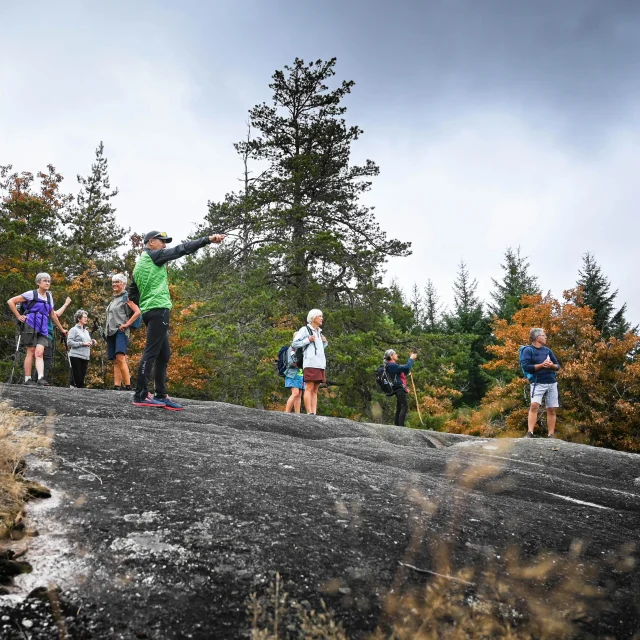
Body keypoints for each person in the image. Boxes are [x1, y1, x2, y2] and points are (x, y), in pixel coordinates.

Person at [129, 230, 226, 410]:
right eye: (162, 242)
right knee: (151, 353)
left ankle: (160, 394)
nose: (164, 245)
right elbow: (181, 249)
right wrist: (208, 240)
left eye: (166, 243)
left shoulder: (138, 265)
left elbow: (132, 293)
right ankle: (140, 394)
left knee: (164, 354)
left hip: (149, 311)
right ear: (151, 242)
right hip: (159, 309)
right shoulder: (154, 256)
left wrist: (137, 313)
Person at [7, 273, 68, 386]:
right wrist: (19, 316)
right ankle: (27, 378)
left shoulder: (49, 297)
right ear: (38, 282)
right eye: (44, 281)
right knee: (31, 352)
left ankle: (40, 378)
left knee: (39, 352)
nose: (47, 283)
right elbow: (11, 301)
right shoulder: (31, 294)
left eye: (49, 281)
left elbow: (52, 315)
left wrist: (61, 329)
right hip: (30, 324)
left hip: (43, 327)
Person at [521, 328, 561, 438]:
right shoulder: (528, 350)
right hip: (537, 383)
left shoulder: (547, 351)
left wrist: (551, 366)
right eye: (543, 335)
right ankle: (530, 432)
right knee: (534, 406)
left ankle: (551, 434)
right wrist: (541, 365)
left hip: (551, 382)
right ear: (537, 338)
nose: (545, 337)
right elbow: (526, 367)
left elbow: (557, 366)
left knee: (552, 409)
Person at [105, 273, 141, 391]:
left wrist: (127, 324)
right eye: (113, 282)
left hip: (121, 331)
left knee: (120, 357)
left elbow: (137, 312)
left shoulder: (126, 297)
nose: (114, 284)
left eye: (117, 282)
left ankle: (128, 385)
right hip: (111, 332)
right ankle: (117, 386)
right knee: (116, 360)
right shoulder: (114, 299)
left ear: (124, 284)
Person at [292, 309, 328, 416]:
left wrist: (325, 342)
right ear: (313, 318)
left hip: (320, 363)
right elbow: (295, 343)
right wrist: (308, 340)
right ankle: (309, 412)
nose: (322, 318)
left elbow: (319, 348)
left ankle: (314, 412)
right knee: (309, 387)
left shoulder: (319, 331)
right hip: (310, 363)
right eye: (319, 316)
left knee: (316, 389)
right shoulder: (305, 329)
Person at [33, 295, 72, 384]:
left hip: (43, 333)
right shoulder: (44, 305)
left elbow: (54, 314)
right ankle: (40, 380)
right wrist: (66, 304)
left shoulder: (39, 305)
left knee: (41, 358)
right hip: (45, 334)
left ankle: (37, 380)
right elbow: (56, 314)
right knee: (46, 358)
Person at [384, 349, 417, 427]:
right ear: (391, 356)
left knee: (399, 407)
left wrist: (406, 371)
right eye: (395, 354)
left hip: (397, 388)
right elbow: (406, 368)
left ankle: (397, 425)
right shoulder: (392, 365)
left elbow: (404, 371)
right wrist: (411, 358)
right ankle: (401, 427)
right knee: (404, 406)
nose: (397, 355)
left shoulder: (391, 365)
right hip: (399, 388)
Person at [67, 309, 96, 388]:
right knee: (78, 380)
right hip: (76, 356)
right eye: (84, 317)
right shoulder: (73, 330)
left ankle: (74, 394)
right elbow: (69, 343)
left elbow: (87, 342)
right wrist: (82, 343)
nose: (86, 319)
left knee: (81, 380)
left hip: (85, 357)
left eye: (87, 317)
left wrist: (92, 341)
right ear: (79, 319)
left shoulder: (86, 331)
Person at [284, 334, 305, 414]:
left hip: (300, 374)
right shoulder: (292, 348)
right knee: (295, 393)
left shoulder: (301, 349)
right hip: (292, 373)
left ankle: (297, 414)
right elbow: (289, 362)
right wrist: (298, 364)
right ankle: (286, 412)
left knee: (299, 394)